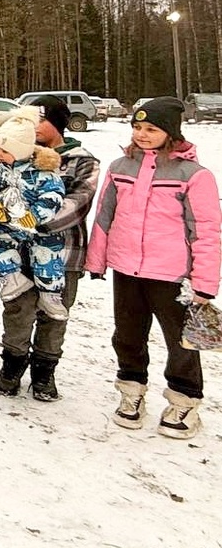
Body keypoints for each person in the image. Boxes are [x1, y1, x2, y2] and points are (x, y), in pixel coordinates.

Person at [86, 97, 220, 439]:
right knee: (127, 334)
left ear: (171, 132)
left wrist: (204, 281)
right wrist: (97, 259)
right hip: (127, 269)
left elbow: (205, 229)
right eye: (137, 127)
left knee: (181, 341)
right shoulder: (120, 166)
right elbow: (104, 216)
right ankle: (131, 392)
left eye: (151, 129)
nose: (142, 134)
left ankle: (184, 399)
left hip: (172, 274)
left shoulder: (194, 175)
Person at [0, 95, 100, 402]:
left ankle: (44, 372)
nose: (33, 127)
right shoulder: (15, 154)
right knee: (17, 311)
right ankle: (12, 366)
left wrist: (32, 221)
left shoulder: (82, 160)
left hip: (64, 253)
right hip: (19, 251)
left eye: (39, 120)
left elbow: (78, 203)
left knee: (55, 315)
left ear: (57, 123)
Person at [0, 109, 67, 319]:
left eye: (3, 150)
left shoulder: (43, 172)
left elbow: (53, 196)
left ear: (21, 150)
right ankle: (12, 277)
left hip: (37, 226)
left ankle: (50, 293)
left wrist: (36, 215)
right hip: (7, 223)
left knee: (48, 253)